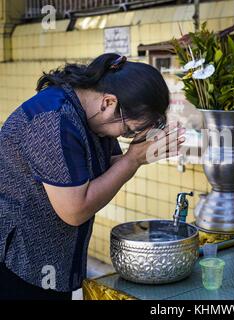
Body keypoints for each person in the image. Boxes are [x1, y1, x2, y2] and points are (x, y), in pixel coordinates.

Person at [0, 53, 185, 300]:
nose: (127, 136)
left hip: (52, 262)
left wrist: (143, 154)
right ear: (109, 102)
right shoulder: (53, 120)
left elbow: (106, 167)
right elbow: (74, 210)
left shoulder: (91, 116)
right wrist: (133, 160)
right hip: (18, 261)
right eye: (130, 130)